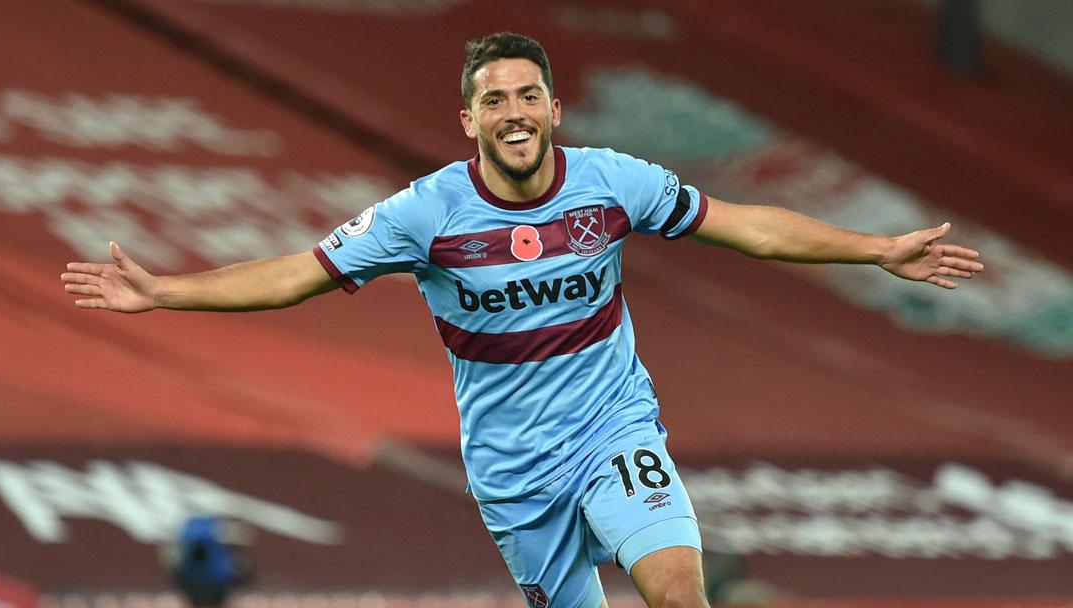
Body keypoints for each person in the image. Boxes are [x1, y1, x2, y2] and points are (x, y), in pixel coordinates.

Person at [61, 32, 984, 608]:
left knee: (677, 589)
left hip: (612, 426)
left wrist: (875, 248)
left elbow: (748, 228)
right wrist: (167, 292)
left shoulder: (613, 182)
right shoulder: (424, 214)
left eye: (528, 94)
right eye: (494, 99)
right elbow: (297, 276)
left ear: (552, 107)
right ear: (469, 121)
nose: (514, 112)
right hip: (511, 467)